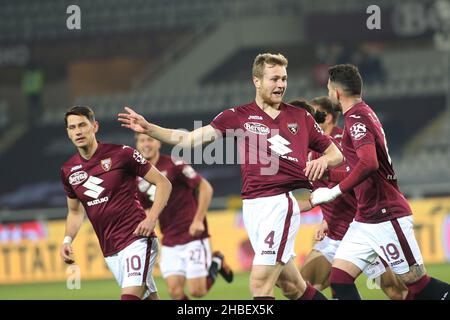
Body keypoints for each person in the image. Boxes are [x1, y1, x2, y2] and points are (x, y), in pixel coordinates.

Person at [118, 53, 344, 300]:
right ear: (256, 81)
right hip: (252, 207)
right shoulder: (237, 116)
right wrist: (150, 128)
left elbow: (336, 154)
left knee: (259, 285)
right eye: (274, 79)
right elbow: (188, 139)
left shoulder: (300, 117)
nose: (281, 84)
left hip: (279, 205)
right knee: (292, 287)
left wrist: (323, 159)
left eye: (284, 79)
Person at [309, 64, 450, 300]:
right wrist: (328, 176)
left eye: (328, 88)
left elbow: (369, 163)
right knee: (340, 280)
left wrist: (333, 192)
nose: (328, 92)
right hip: (365, 218)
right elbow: (360, 170)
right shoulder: (360, 114)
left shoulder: (357, 118)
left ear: (336, 92)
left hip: (386, 214)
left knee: (418, 286)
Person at [289, 98, 407, 300]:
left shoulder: (335, 146)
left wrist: (329, 178)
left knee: (396, 291)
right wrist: (325, 218)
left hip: (361, 232)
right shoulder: (304, 150)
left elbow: (357, 179)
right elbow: (317, 194)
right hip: (334, 235)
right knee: (302, 286)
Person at [60, 106, 172, 300]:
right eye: (72, 128)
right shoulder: (68, 170)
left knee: (129, 298)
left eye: (82, 125)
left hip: (136, 238)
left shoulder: (122, 153)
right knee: (148, 297)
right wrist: (67, 240)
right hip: (110, 248)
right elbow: (75, 212)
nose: (78, 131)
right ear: (68, 133)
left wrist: (151, 218)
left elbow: (163, 183)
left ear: (94, 126)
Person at [135, 133, 233, 300]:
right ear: (137, 145)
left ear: (158, 143)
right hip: (170, 238)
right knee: (175, 292)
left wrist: (197, 220)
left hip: (192, 233)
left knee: (197, 291)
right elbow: (146, 210)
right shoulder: (138, 177)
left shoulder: (174, 164)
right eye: (142, 141)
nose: (146, 144)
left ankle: (216, 261)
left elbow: (205, 188)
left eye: (150, 140)